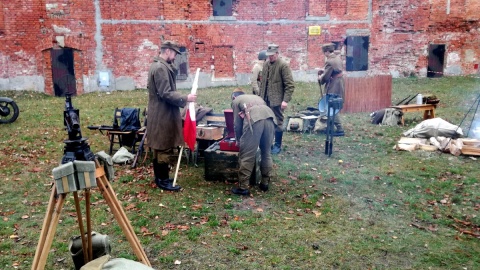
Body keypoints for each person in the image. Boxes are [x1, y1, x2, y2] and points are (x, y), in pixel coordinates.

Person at [147, 40, 197, 191]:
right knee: (164, 146)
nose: (175, 57)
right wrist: (185, 98)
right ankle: (163, 181)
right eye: (174, 53)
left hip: (160, 112)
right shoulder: (160, 68)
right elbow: (166, 93)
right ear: (167, 51)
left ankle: (160, 178)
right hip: (163, 114)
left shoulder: (158, 66)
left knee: (159, 146)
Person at [230, 89, 277, 196]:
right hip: (270, 119)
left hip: (254, 121)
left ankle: (243, 188)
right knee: (266, 153)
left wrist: (238, 140)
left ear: (234, 97)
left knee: (247, 155)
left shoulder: (236, 101)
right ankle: (265, 183)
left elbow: (237, 125)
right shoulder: (257, 98)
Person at [259, 44, 295, 154]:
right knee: (267, 121)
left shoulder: (283, 65)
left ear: (277, 54)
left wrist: (285, 100)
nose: (270, 57)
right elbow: (263, 82)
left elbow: (290, 85)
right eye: (269, 55)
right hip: (265, 99)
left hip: (277, 100)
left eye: (272, 55)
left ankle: (278, 145)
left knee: (278, 121)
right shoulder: (265, 64)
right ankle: (268, 143)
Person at [318, 43, 345, 136]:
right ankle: (329, 127)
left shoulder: (329, 61)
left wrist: (320, 78)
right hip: (339, 83)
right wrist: (324, 71)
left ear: (326, 52)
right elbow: (334, 70)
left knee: (331, 105)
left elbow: (325, 77)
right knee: (334, 104)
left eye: (324, 52)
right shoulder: (337, 57)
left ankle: (339, 129)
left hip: (334, 85)